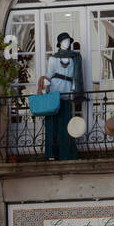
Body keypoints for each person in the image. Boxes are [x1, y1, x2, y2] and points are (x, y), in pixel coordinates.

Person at [37, 32, 83, 161]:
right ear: (60, 43)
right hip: (55, 91)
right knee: (53, 124)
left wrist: (75, 89)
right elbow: (49, 75)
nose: (67, 43)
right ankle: (52, 153)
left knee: (67, 124)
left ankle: (66, 153)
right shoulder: (53, 59)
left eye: (68, 40)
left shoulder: (74, 58)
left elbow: (76, 76)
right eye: (64, 40)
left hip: (67, 92)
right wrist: (45, 88)